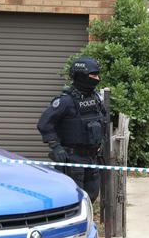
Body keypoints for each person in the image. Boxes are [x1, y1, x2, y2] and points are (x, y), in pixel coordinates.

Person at [37, 56, 106, 202]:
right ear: (81, 75)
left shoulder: (96, 98)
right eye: (93, 75)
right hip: (73, 159)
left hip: (92, 159)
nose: (97, 78)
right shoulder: (65, 101)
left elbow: (102, 121)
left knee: (91, 197)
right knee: (74, 200)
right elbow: (44, 124)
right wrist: (56, 147)